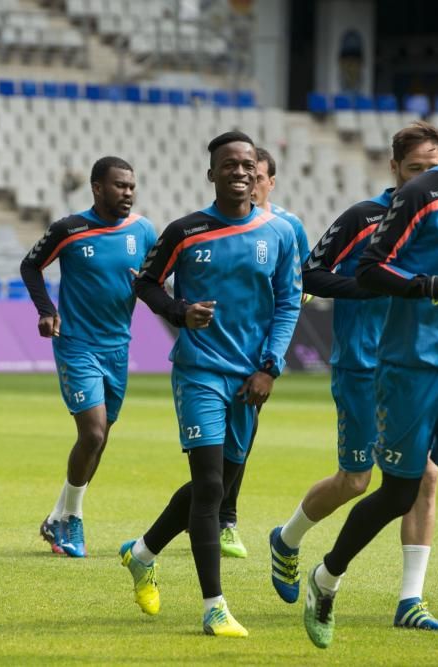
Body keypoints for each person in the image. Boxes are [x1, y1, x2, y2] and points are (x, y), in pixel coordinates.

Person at [300, 77, 438, 667]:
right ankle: (326, 577)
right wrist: (434, 287)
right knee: (398, 492)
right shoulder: (422, 192)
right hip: (405, 369)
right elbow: (372, 272)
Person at [120, 131, 301, 637]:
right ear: (212, 173)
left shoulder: (280, 233)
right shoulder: (186, 231)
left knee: (216, 487)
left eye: (247, 164)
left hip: (251, 378)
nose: (240, 172)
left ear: (258, 172)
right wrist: (179, 311)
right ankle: (213, 606)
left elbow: (288, 303)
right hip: (199, 369)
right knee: (210, 487)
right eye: (229, 165)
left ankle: (141, 553)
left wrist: (270, 367)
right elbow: (146, 282)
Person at [269, 122, 438, 633]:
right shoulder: (364, 217)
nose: (427, 178)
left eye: (435, 169)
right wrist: (371, 287)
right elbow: (310, 273)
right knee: (356, 480)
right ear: (394, 169)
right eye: (417, 169)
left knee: (425, 477)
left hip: (415, 367)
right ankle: (287, 538)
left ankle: (410, 602)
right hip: (361, 365)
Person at [20, 157, 156, 558]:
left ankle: (55, 519)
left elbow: (157, 276)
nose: (127, 192)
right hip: (76, 344)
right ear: (97, 188)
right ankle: (74, 520)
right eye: (119, 186)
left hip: (119, 347)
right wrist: (46, 310)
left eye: (131, 186)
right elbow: (31, 265)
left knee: (98, 441)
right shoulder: (70, 229)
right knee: (93, 433)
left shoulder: (143, 231)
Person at [217, 146, 311, 560]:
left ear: (270, 181)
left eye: (257, 177)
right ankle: (217, 516)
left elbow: (305, 278)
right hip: (221, 347)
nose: (249, 183)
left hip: (263, 353)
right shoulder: (219, 222)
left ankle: (225, 518)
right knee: (210, 441)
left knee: (243, 434)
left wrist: (294, 300)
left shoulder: (287, 226)